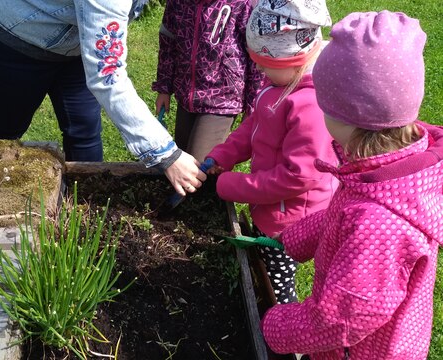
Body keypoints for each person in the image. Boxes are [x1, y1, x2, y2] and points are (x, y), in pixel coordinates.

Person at [261, 11, 443, 360]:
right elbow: (346, 212)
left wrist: (276, 326)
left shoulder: (379, 223)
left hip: (362, 353)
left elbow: (339, 320)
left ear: (346, 115)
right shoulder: (388, 172)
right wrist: (296, 237)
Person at [0, 0, 206, 196]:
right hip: (14, 36)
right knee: (4, 131)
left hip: (76, 38)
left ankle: (85, 205)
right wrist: (166, 154)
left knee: (84, 129)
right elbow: (108, 77)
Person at [205, 0, 336, 304]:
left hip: (289, 221)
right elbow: (255, 123)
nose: (259, 69)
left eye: (264, 64)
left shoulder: (311, 107)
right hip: (270, 206)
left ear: (293, 59)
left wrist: (234, 186)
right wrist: (224, 154)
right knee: (259, 265)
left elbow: (297, 177)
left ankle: (283, 335)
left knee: (274, 283)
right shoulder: (281, 84)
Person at [152, 0, 265, 162]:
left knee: (199, 165)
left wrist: (252, 106)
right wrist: (164, 88)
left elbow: (256, 58)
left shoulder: (242, 4)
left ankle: (219, 185)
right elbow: (168, 43)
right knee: (181, 159)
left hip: (222, 99)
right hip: (186, 96)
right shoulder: (177, 3)